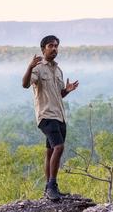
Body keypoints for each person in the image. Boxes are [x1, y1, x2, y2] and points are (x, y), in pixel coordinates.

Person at [22, 35, 79, 201]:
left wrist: (67, 90)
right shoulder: (38, 68)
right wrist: (29, 66)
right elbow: (25, 84)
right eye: (50, 46)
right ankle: (51, 185)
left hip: (60, 116)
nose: (54, 48)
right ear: (43, 49)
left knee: (50, 152)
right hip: (46, 116)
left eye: (56, 46)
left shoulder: (58, 70)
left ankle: (49, 188)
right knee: (59, 147)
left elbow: (59, 94)